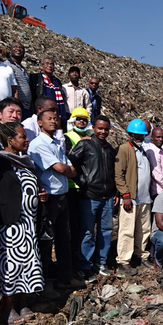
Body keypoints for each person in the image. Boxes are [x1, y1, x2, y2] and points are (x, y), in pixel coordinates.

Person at [0, 123, 47, 325]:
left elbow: (31, 186)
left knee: (28, 264)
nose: (27, 140)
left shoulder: (26, 161)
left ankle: (23, 301)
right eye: (22, 137)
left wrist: (41, 195)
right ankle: (7, 305)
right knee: (9, 265)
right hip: (8, 224)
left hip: (28, 224)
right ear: (10, 140)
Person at [28, 109, 84, 291]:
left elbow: (71, 169)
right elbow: (61, 168)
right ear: (39, 122)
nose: (53, 121)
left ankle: (65, 278)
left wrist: (66, 169)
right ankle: (44, 283)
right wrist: (66, 169)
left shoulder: (56, 144)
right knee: (46, 241)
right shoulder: (38, 145)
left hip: (62, 197)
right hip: (49, 199)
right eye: (49, 119)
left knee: (63, 239)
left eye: (55, 118)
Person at [68, 115, 117, 280]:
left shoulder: (110, 149)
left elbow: (113, 172)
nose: (103, 132)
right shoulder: (85, 144)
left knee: (106, 231)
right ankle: (84, 266)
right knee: (87, 232)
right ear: (94, 128)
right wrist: (83, 181)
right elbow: (71, 162)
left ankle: (101, 262)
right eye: (100, 128)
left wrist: (115, 191)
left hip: (108, 197)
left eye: (106, 129)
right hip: (89, 196)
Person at [115, 119, 153, 274]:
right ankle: (123, 261)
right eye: (136, 135)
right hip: (131, 198)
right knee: (127, 230)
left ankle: (141, 255)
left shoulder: (144, 150)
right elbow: (119, 174)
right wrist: (126, 195)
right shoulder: (125, 149)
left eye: (141, 135)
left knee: (144, 229)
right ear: (130, 134)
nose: (139, 137)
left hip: (144, 197)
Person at [64, 107, 93, 274]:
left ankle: (82, 259)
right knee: (73, 227)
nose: (81, 122)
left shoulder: (90, 137)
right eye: (78, 119)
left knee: (85, 227)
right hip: (72, 187)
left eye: (84, 119)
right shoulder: (68, 138)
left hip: (85, 188)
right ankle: (73, 262)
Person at [29, 58, 67, 124]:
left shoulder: (57, 81)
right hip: (41, 111)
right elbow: (31, 96)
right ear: (41, 66)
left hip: (56, 112)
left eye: (51, 64)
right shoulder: (35, 78)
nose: (49, 66)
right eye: (47, 63)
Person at [6, 42, 32, 120]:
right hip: (17, 107)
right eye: (15, 47)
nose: (18, 49)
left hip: (26, 107)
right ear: (10, 51)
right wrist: (16, 105)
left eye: (21, 48)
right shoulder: (7, 66)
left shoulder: (22, 68)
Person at [144, 127, 163, 197]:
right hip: (159, 192)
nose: (161, 139)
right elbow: (157, 175)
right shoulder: (152, 152)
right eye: (158, 137)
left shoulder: (161, 152)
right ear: (152, 137)